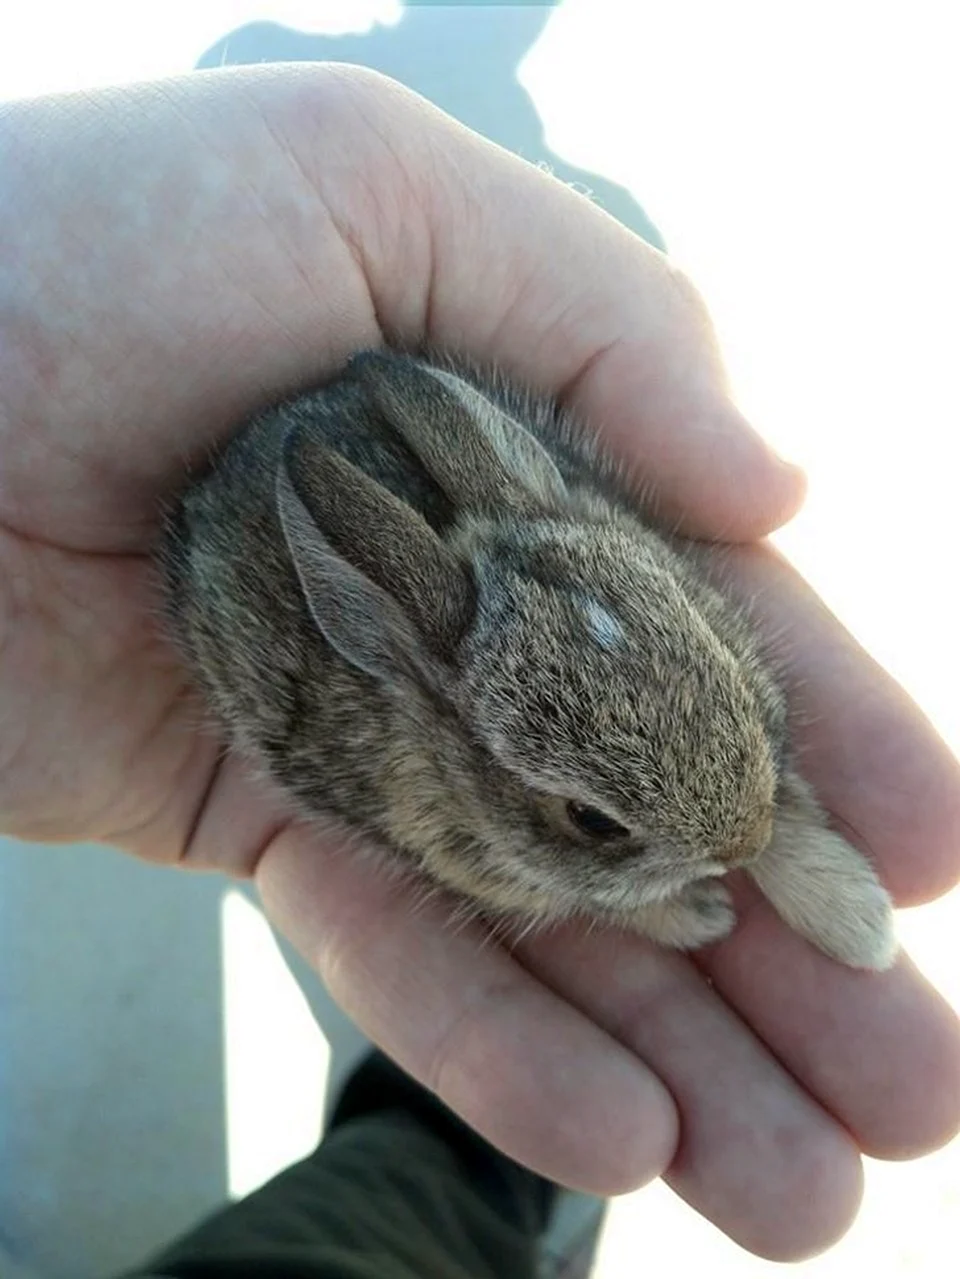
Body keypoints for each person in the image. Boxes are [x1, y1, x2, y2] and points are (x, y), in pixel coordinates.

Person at [2, 62, 960, 1274]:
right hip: (318, 581)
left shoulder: (575, 526)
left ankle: (444, 1159)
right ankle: (452, 1163)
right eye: (588, 820)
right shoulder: (437, 764)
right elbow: (481, 845)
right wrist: (645, 894)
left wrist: (754, 811)